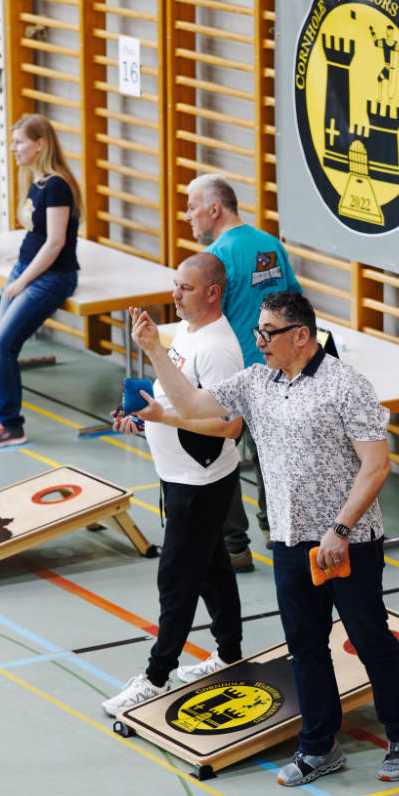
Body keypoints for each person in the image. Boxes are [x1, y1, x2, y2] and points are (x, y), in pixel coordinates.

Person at [127, 290, 399, 785]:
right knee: (304, 647)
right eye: (258, 332)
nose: (258, 340)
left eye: (268, 333)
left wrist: (340, 529)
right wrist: (157, 349)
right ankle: (318, 747)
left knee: (371, 640)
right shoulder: (257, 382)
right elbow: (192, 402)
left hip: (346, 542)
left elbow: (376, 466)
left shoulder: (346, 386)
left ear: (300, 335)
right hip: (289, 541)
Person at [102, 253, 244, 717]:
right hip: (179, 474)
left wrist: (161, 406)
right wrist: (146, 420)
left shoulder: (219, 348)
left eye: (185, 288)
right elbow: (178, 399)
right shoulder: (185, 331)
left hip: (199, 482)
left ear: (212, 292)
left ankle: (156, 676)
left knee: (177, 579)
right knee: (212, 569)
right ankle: (227, 651)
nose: (175, 295)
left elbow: (228, 426)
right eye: (174, 285)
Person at [185, 173, 302, 572]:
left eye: (191, 206)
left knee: (222, 459)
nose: (188, 216)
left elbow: (199, 320)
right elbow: (296, 302)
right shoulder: (270, 245)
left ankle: (235, 547)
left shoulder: (213, 261)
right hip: (276, 373)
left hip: (231, 377)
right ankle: (278, 532)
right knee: (271, 457)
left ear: (214, 209)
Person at [0, 114, 80, 449]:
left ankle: (11, 424)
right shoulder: (35, 182)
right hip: (27, 268)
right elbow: (37, 234)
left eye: (20, 142)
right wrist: (20, 261)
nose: (13, 149)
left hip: (52, 277)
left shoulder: (56, 185)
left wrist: (23, 280)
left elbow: (55, 242)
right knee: (0, 345)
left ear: (40, 144)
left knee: (2, 344)